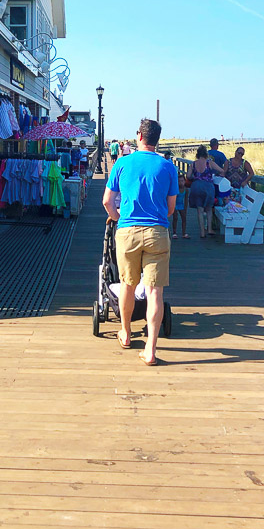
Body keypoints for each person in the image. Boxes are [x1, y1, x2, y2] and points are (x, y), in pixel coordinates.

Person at [102, 118, 178, 367]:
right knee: (155, 291)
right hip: (157, 231)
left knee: (127, 284)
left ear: (139, 136)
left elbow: (107, 201)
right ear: (157, 139)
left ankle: (125, 332)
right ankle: (151, 348)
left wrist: (117, 218)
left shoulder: (122, 163)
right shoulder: (168, 167)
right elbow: (170, 208)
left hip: (128, 230)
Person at [187, 145, 226, 239]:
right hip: (208, 186)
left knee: (200, 210)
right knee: (208, 209)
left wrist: (195, 177)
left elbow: (188, 176)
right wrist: (215, 175)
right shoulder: (210, 163)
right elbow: (222, 170)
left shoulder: (193, 164)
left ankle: (202, 232)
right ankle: (209, 229)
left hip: (196, 186)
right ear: (205, 154)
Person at [171, 174, 189, 239]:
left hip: (181, 204)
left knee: (184, 218)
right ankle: (174, 232)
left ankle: (184, 233)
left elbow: (186, 200)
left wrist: (185, 208)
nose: (181, 183)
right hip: (175, 204)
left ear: (185, 181)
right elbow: (173, 198)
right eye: (179, 181)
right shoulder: (175, 189)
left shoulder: (186, 190)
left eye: (182, 181)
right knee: (175, 218)